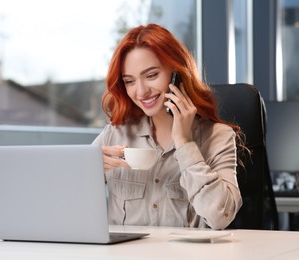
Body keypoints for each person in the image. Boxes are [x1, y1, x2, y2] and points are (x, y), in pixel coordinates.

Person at [92, 23, 243, 230]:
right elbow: (67, 201)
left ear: (177, 73)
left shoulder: (218, 137)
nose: (141, 91)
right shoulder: (115, 134)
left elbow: (220, 217)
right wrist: (87, 172)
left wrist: (184, 142)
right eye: (129, 81)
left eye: (152, 75)